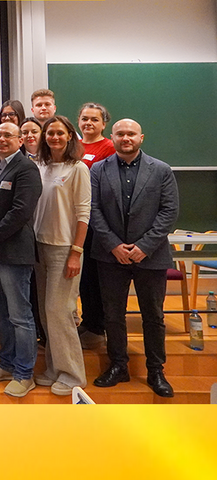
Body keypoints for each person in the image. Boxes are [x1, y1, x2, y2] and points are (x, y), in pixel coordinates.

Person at [90, 119, 179, 398]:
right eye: (120, 134)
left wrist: (145, 246)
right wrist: (114, 245)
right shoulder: (98, 169)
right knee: (113, 315)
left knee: (153, 315)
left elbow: (169, 211)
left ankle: (156, 370)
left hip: (150, 256)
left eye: (131, 134)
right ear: (112, 137)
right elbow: (93, 210)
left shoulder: (161, 170)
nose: (125, 138)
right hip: (109, 255)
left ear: (141, 137)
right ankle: (119, 365)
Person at [0, 121, 42, 397]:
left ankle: (25, 373)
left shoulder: (26, 169)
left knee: (20, 315)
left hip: (13, 253)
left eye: (8, 136)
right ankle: (7, 362)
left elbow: (20, 212)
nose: (1, 139)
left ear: (20, 140)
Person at [33, 115, 90, 396]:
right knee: (46, 311)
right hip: (39, 246)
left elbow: (83, 214)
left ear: (70, 136)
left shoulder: (77, 169)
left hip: (63, 248)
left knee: (61, 311)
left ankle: (73, 374)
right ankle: (55, 368)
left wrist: (75, 253)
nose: (54, 137)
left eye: (60, 133)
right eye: (49, 133)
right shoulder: (41, 166)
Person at [76, 102, 114, 343]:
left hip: (97, 222)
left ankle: (97, 326)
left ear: (103, 124)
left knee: (95, 276)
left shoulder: (109, 147)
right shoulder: (75, 146)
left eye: (94, 119)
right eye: (85, 118)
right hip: (75, 221)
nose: (89, 123)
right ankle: (87, 321)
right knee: (82, 275)